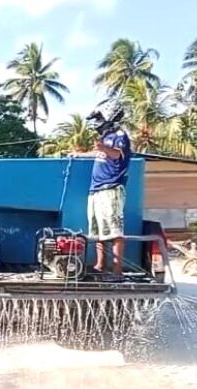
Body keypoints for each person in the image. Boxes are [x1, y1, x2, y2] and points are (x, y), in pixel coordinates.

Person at [70, 103, 131, 281]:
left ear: (109, 118)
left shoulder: (119, 136)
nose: (96, 123)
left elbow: (117, 155)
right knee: (99, 232)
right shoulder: (105, 139)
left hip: (111, 189)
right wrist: (78, 154)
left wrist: (103, 147)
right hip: (96, 190)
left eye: (98, 119)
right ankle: (100, 266)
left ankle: (117, 271)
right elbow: (99, 154)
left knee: (115, 232)